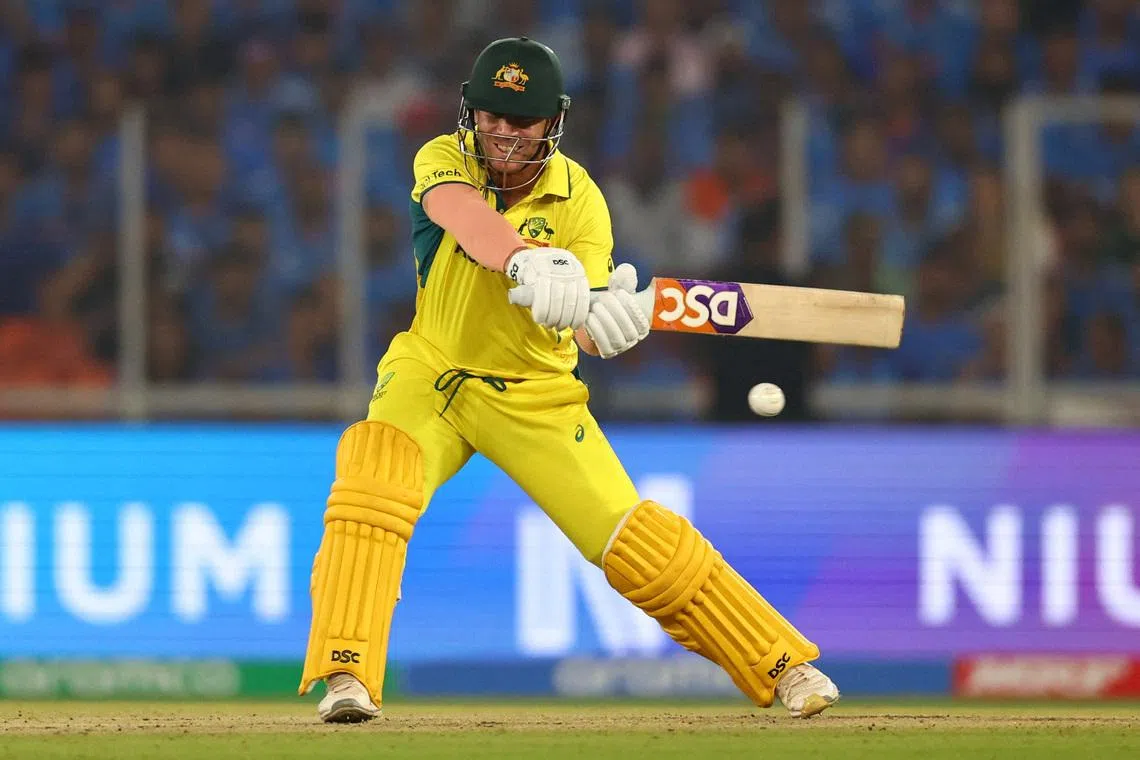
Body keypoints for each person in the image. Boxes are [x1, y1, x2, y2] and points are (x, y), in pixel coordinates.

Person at [297, 37, 840, 723]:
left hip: (536, 391)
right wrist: (523, 260)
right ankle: (347, 675)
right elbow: (462, 218)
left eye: (520, 120)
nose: (501, 131)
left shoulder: (582, 202)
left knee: (636, 544)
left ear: (552, 121)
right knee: (373, 479)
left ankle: (784, 665)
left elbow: (583, 325)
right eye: (491, 113)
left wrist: (610, 318)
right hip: (431, 374)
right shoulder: (442, 158)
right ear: (471, 111)